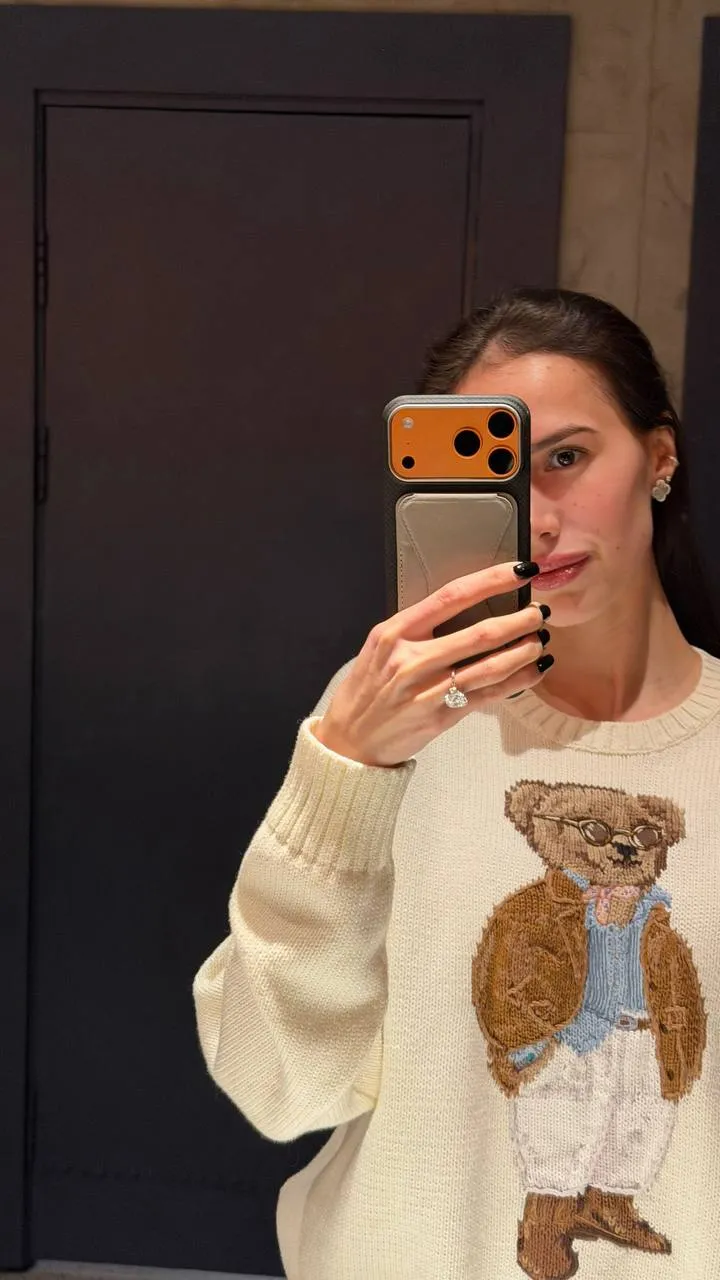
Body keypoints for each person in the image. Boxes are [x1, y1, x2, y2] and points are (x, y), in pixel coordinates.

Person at [193, 288, 720, 1280]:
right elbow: (279, 1087)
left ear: (659, 457)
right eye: (495, 480)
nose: (539, 518)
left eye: (566, 457)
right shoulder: (389, 726)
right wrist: (345, 773)